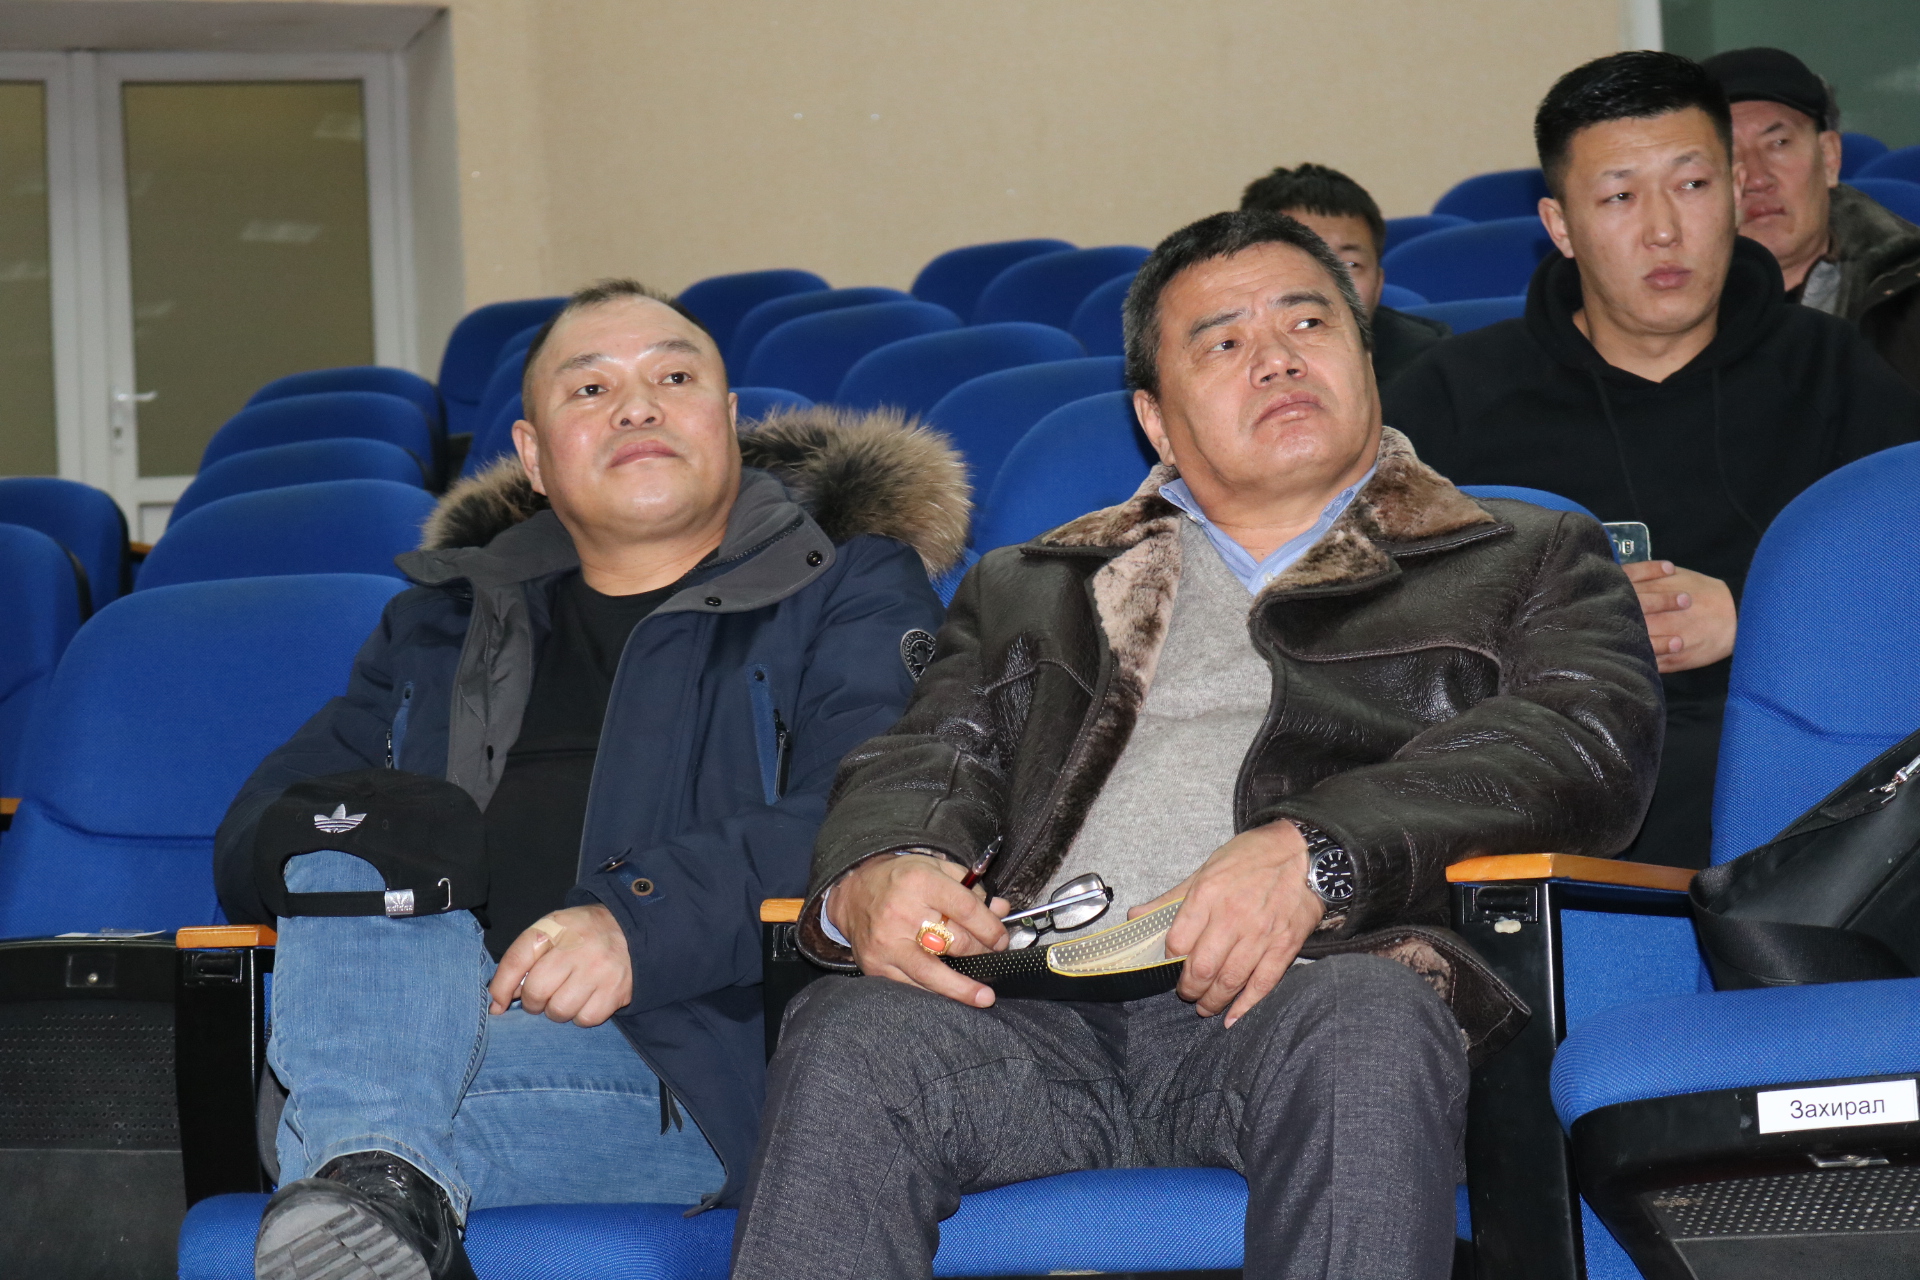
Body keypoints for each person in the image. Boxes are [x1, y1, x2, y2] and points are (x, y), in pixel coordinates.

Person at [729, 209, 1665, 1280]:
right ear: (1156, 419)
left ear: (1365, 358)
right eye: (1223, 342)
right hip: (1028, 1010)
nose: (1277, 357)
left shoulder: (1525, 552)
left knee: (1366, 1019)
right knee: (850, 1033)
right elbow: (927, 753)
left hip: (1311, 989)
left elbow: (1581, 740)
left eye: (1308, 323)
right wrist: (883, 864)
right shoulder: (1030, 584)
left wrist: (1320, 848)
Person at [212, 280, 967, 1280]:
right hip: (428, 1027)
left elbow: (874, 811)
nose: (638, 406)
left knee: (334, 1132)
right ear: (532, 456)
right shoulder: (438, 625)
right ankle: (379, 1182)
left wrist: (634, 925)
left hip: (694, 1060)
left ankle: (365, 1170)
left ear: (729, 419)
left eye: (674, 378)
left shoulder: (848, 589)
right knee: (350, 835)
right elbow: (259, 829)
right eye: (592, 388)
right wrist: (376, 875)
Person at [1385, 51, 1920, 869]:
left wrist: (1758, 617)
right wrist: (1559, 631)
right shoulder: (1450, 398)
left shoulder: (1837, 372)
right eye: (1620, 197)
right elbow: (1369, 622)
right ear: (1561, 226)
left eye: (1693, 185)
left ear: (1734, 194)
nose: (1663, 230)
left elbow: (1901, 590)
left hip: (1802, 791)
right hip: (1546, 781)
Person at [1701, 46, 1920, 392]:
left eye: (1778, 143)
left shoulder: (1906, 290)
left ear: (1829, 157)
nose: (1757, 178)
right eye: (1727, 152)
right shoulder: (1663, 311)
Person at [1241, 162, 1451, 387]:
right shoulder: (1224, 358)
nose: (1331, 284)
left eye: (1351, 264)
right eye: (1305, 262)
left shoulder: (1428, 367)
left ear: (1379, 284)